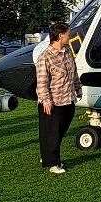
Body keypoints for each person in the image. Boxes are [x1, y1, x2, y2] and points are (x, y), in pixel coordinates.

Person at [34, 21, 79, 175]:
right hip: (53, 102)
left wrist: (78, 90)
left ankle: (47, 156)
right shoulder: (45, 57)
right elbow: (42, 82)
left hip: (68, 99)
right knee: (51, 133)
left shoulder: (67, 51)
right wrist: (46, 100)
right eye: (68, 33)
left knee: (60, 131)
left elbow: (74, 73)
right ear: (60, 36)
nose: (70, 35)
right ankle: (54, 163)